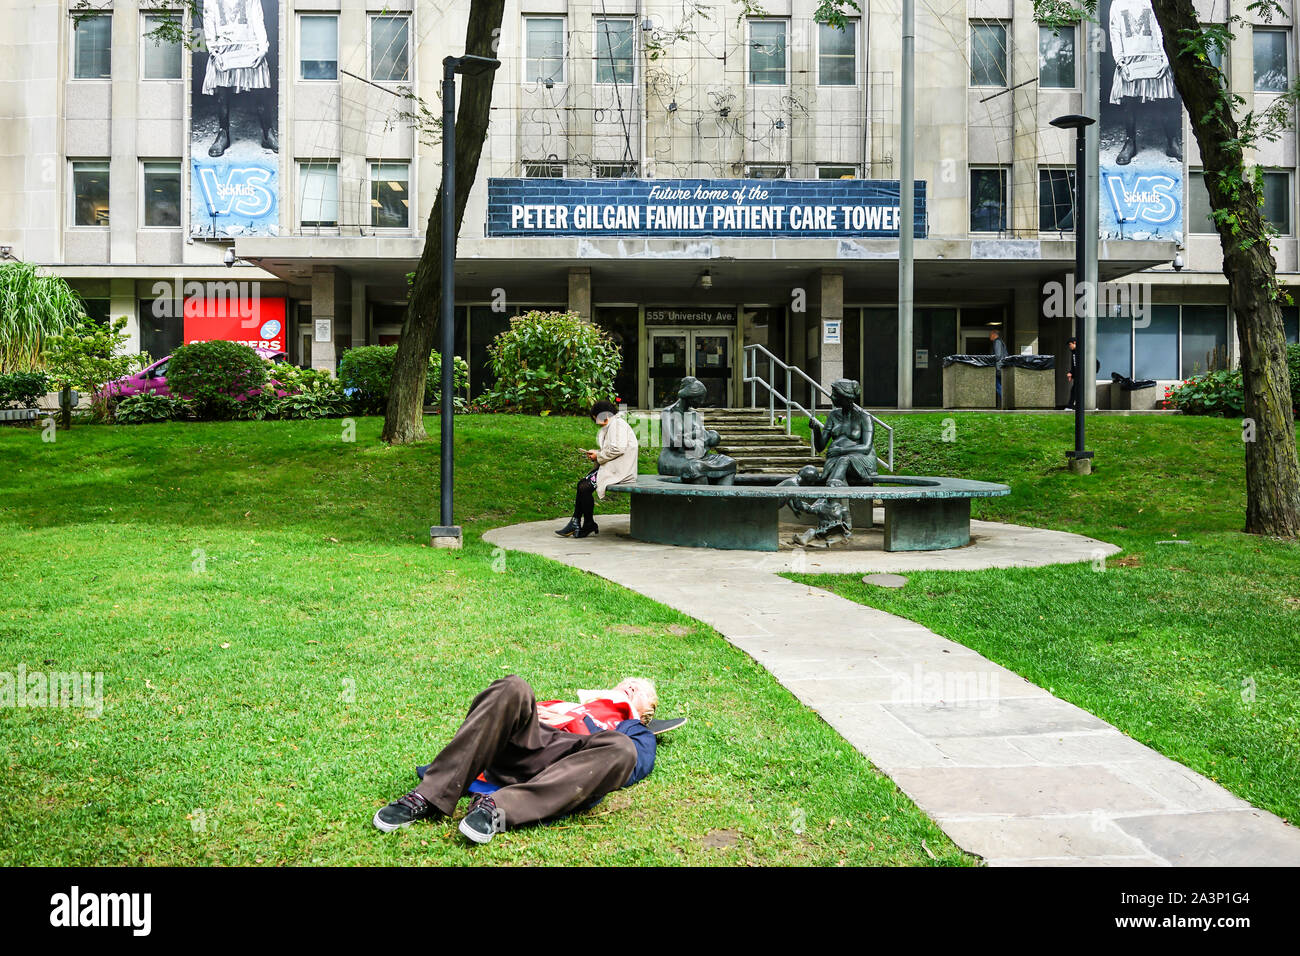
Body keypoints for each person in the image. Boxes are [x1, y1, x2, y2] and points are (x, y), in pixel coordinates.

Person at [372, 675, 659, 844]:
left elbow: (633, 767)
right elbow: (503, 715)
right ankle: (429, 797)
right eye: (629, 683)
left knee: (622, 750)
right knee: (514, 687)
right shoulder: (571, 703)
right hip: (528, 746)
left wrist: (576, 720)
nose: (632, 687)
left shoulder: (634, 729)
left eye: (640, 692)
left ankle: (498, 808)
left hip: (569, 764)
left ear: (646, 713)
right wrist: (563, 712)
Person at [202, 0, 278, 157]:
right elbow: (208, 20)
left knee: (260, 92)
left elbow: (257, 18)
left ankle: (267, 132)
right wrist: (213, 52)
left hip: (249, 46)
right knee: (222, 95)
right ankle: (223, 133)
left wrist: (262, 48)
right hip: (223, 48)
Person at [1108, 0, 1180, 166]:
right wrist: (1120, 61)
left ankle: (1172, 142)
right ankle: (1130, 143)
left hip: (1155, 56)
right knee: (1129, 103)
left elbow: (1162, 28)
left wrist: (1166, 57)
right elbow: (1115, 32)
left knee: (1167, 101)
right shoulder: (1118, 3)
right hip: (1129, 59)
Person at [556, 400, 639, 538]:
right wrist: (597, 453)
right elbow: (614, 448)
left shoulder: (617, 425)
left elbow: (618, 448)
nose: (597, 423)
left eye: (596, 419)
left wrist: (598, 455)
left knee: (584, 486)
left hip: (620, 471)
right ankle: (580, 522)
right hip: (614, 468)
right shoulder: (614, 425)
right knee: (582, 485)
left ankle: (585, 523)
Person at [657, 376, 737, 484]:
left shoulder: (694, 415)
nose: (702, 401)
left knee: (729, 462)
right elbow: (672, 442)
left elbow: (704, 438)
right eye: (699, 398)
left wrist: (705, 437)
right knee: (695, 467)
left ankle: (722, 499)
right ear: (689, 395)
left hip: (696, 455)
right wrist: (696, 435)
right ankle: (703, 500)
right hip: (673, 458)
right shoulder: (668, 413)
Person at [809, 378, 877, 485]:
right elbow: (820, 447)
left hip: (862, 459)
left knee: (844, 460)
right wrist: (816, 431)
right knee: (838, 463)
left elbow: (866, 447)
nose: (831, 397)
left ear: (846, 397)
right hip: (836, 459)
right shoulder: (833, 415)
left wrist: (841, 450)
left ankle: (832, 489)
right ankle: (834, 489)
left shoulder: (864, 417)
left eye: (835, 395)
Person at [989, 329, 1009, 406]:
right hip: (1001, 367)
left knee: (998, 386)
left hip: (998, 368)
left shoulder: (997, 342)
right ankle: (1004, 403)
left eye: (990, 335)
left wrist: (989, 360)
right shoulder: (1000, 342)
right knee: (1000, 386)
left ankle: (1004, 403)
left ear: (994, 334)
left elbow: (997, 356)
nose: (989, 337)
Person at [1065, 336, 1079, 409]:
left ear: (1075, 343)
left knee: (1075, 390)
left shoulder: (1080, 352)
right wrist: (1071, 373)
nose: (1069, 346)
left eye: (1070, 344)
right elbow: (1075, 365)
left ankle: (1071, 406)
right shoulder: (1074, 352)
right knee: (1074, 390)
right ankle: (1071, 406)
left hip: (1081, 376)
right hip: (1077, 376)